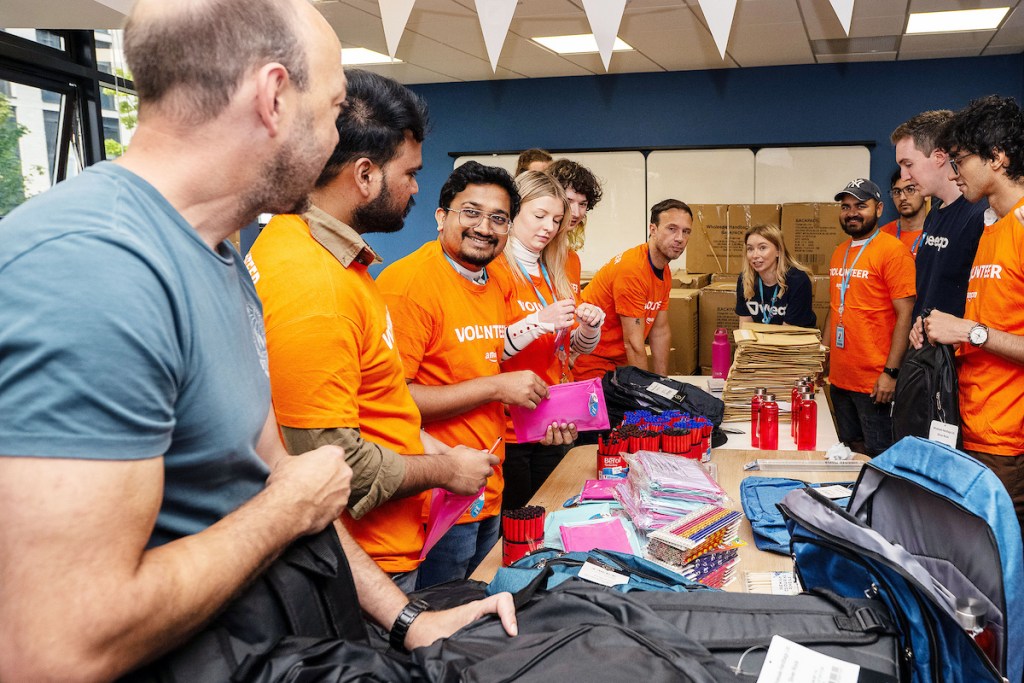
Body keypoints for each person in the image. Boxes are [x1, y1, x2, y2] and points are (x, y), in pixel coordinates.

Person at [0, 3, 515, 680]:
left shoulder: (220, 256)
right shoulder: (95, 264)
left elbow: (283, 476)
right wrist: (281, 511)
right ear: (274, 97)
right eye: (333, 108)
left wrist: (406, 617)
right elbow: (56, 646)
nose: (337, 138)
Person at [246, 70, 499, 589]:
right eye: (409, 173)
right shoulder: (315, 284)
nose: (415, 189)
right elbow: (336, 464)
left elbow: (378, 407)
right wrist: (447, 471)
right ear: (365, 175)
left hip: (384, 545)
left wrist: (438, 451)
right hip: (362, 562)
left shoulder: (333, 260)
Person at [377, 162, 574, 589]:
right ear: (441, 215)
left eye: (498, 218)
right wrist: (498, 386)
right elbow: (394, 404)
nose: (485, 227)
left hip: (487, 483)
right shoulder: (409, 284)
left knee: (475, 607)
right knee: (440, 616)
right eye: (471, 212)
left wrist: (540, 422)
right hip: (435, 493)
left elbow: (486, 371)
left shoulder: (490, 280)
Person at [910, 95, 1024, 532]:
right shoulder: (993, 226)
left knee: (993, 576)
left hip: (1005, 442)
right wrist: (943, 333)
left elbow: (983, 331)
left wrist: (969, 331)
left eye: (960, 160)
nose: (954, 173)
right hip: (969, 426)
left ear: (997, 157)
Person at [490, 170, 606, 509]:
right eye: (539, 216)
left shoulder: (555, 266)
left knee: (551, 516)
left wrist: (588, 329)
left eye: (556, 220)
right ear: (513, 212)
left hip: (551, 418)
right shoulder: (495, 267)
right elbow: (488, 348)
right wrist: (538, 322)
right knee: (516, 527)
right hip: (508, 428)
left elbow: (568, 350)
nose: (549, 228)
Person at [828, 179, 916, 457]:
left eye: (860, 206)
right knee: (848, 455)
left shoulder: (893, 251)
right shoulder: (839, 252)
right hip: (840, 381)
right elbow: (834, 309)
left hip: (875, 384)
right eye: (846, 206)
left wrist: (891, 373)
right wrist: (824, 357)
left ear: (878, 209)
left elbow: (906, 315)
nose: (852, 212)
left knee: (880, 459)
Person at [573, 199, 692, 381]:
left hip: (617, 364)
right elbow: (634, 344)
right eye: (671, 228)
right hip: (590, 363)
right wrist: (646, 393)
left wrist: (662, 383)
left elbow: (660, 331)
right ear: (653, 229)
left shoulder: (663, 270)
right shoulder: (633, 269)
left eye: (686, 231)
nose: (679, 238)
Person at [892, 110, 988, 318]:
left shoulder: (981, 214)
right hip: (925, 345)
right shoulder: (933, 214)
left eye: (908, 164)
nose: (904, 176)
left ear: (939, 157)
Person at [735, 223, 816, 327]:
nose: (755, 255)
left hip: (792, 340)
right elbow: (745, 327)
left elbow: (788, 333)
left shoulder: (798, 280)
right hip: (759, 341)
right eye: (750, 249)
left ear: (778, 251)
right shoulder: (745, 279)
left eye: (762, 248)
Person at [547, 158, 604, 296]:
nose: (576, 212)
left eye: (582, 204)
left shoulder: (572, 260)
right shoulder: (532, 254)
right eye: (569, 201)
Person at [880, 170, 928, 258]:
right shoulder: (881, 235)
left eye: (910, 190)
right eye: (897, 192)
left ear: (926, 194)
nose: (902, 198)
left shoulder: (937, 234)